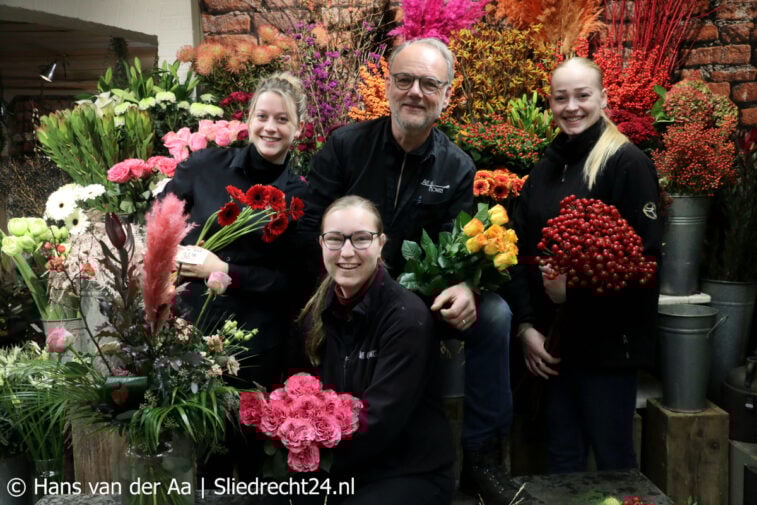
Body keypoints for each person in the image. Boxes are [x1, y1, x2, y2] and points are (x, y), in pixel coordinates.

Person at [300, 38, 518, 503]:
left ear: (446, 95)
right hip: (345, 285)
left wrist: (467, 284)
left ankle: (482, 457)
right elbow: (310, 227)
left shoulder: (456, 166)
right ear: (388, 86)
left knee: (496, 315)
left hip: (415, 301)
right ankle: (308, 439)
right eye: (404, 80)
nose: (415, 91)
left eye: (429, 84)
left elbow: (458, 246)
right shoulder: (345, 147)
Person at [505, 56, 663, 473]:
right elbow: (515, 251)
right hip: (553, 349)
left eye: (582, 95)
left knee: (614, 461)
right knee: (562, 459)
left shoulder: (627, 163)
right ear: (550, 103)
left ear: (603, 98)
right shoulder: (546, 168)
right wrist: (526, 328)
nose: (571, 107)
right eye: (561, 98)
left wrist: (572, 293)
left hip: (606, 349)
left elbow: (645, 265)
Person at [162, 72, 309, 476]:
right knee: (190, 450)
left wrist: (224, 270)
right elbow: (161, 220)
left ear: (298, 128)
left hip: (254, 340)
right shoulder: (205, 167)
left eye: (282, 119)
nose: (270, 127)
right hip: (190, 329)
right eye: (263, 116)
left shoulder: (298, 197)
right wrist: (173, 253)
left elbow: (293, 281)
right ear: (249, 119)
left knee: (243, 456)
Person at [279, 195, 455, 505]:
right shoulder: (315, 313)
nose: (347, 252)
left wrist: (319, 458)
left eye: (361, 239)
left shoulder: (406, 318)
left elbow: (380, 421)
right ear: (321, 244)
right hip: (343, 466)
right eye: (335, 239)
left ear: (381, 243)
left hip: (406, 471)